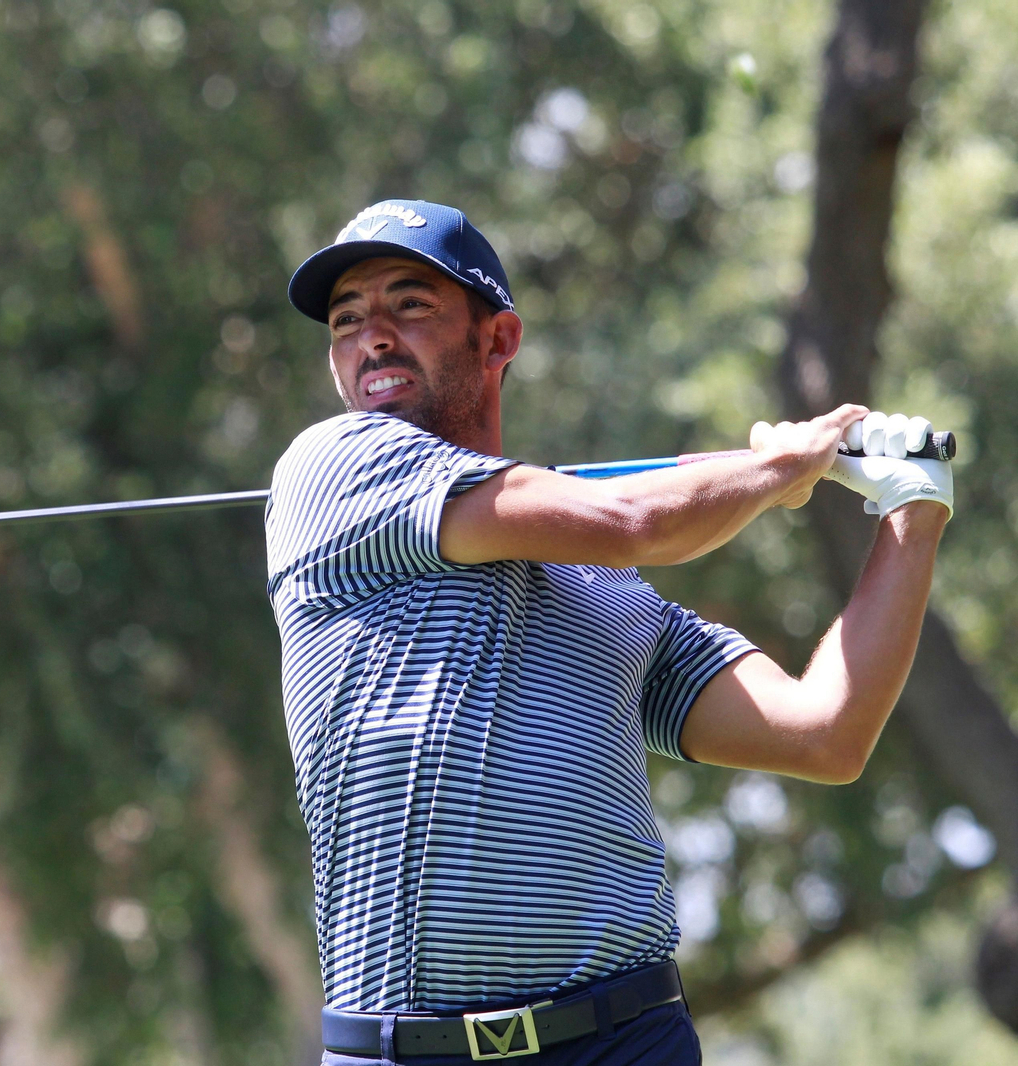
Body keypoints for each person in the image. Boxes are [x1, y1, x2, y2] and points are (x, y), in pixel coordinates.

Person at [267, 199, 952, 1063]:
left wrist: (912, 515)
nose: (371, 337)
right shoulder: (334, 468)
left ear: (498, 338)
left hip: (628, 1039)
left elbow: (825, 735)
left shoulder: (611, 596)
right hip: (409, 1049)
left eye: (410, 305)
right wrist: (781, 467)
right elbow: (632, 517)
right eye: (346, 320)